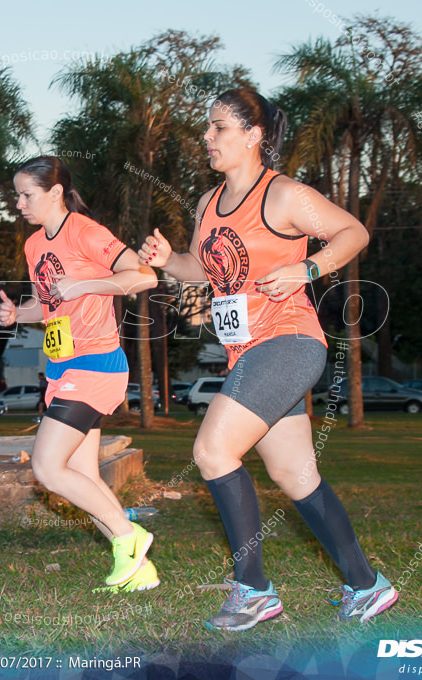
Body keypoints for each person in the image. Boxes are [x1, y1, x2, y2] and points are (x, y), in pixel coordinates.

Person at [138, 89, 396, 629]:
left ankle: (253, 590)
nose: (207, 138)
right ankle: (366, 585)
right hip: (246, 349)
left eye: (219, 128)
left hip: (289, 341)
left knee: (212, 451)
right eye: (207, 129)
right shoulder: (209, 203)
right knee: (294, 473)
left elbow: (354, 231)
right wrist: (169, 261)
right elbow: (204, 271)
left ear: (254, 135)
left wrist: (309, 269)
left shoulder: (282, 196)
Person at [0, 155, 159, 593]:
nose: (19, 204)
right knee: (83, 479)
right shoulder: (34, 246)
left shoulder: (86, 232)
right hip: (60, 367)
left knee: (48, 467)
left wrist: (85, 284)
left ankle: (129, 536)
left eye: (27, 194)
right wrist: (18, 314)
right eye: (16, 195)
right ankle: (137, 570)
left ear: (54, 192)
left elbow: (143, 277)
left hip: (95, 365)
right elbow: (51, 307)